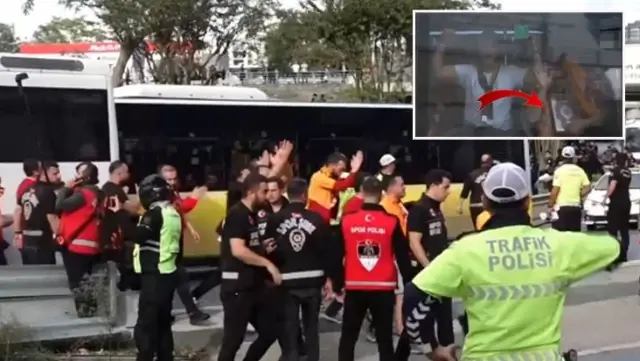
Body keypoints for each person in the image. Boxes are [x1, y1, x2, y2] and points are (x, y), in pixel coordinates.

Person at [401, 162, 620, 361]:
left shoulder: (465, 250)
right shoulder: (560, 244)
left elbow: (413, 296)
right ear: (527, 201)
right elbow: (613, 248)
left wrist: (430, 348)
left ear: (486, 202)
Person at [331, 177, 413, 361]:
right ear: (381, 194)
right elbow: (402, 256)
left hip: (354, 285)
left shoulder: (347, 220)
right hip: (383, 286)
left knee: (348, 337)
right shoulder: (391, 221)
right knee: (384, 339)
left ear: (362, 192)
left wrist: (337, 284)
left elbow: (335, 255)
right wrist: (408, 283)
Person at [217, 173, 283, 361]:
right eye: (264, 191)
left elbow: (247, 246)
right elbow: (238, 250)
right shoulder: (237, 214)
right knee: (233, 340)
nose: (267, 196)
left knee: (270, 331)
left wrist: (262, 248)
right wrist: (268, 264)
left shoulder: (250, 216)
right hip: (237, 287)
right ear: (252, 192)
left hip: (252, 285)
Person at [265, 178, 332, 361]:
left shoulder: (275, 219)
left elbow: (268, 250)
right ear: (305, 195)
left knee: (290, 329)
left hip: (287, 283)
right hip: (313, 281)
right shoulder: (316, 218)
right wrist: (329, 280)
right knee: (312, 328)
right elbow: (326, 251)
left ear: (287, 194)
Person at [430, 30, 539, 136]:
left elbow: (538, 77)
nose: (488, 50)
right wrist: (442, 44)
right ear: (478, 49)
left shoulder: (510, 73)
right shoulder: (469, 72)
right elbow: (439, 73)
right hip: (472, 134)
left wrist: (533, 48)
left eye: (492, 46)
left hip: (503, 135)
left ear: (498, 49)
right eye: (484, 45)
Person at [398, 169, 454, 361]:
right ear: (433, 185)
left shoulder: (436, 208)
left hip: (443, 272)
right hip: (428, 275)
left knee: (445, 317)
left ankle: (448, 351)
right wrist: (429, 268)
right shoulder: (419, 209)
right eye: (446, 187)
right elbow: (414, 242)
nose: (449, 191)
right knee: (422, 319)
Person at [133, 174, 182, 361]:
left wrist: (120, 217)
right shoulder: (172, 213)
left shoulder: (154, 213)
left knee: (146, 326)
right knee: (163, 324)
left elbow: (139, 236)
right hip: (167, 272)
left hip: (154, 275)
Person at [159, 164, 210, 325]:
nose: (172, 182)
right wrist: (194, 198)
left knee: (172, 279)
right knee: (179, 277)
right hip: (168, 240)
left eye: (174, 179)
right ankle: (192, 312)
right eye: (168, 179)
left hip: (176, 237)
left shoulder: (172, 192)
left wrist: (190, 228)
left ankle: (167, 314)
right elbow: (179, 208)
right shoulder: (161, 194)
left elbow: (179, 213)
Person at [56, 162, 109, 316]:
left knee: (78, 284)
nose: (75, 176)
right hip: (92, 245)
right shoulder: (97, 193)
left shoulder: (83, 194)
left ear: (85, 176)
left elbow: (59, 205)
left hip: (76, 246)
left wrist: (66, 188)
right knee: (88, 284)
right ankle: (92, 314)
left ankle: (85, 316)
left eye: (78, 173)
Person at [18, 161, 61, 265]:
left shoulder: (27, 190)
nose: (59, 176)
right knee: (45, 276)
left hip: (27, 242)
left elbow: (19, 212)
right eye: (55, 174)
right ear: (43, 173)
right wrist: (62, 236)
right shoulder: (48, 192)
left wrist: (17, 233)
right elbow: (52, 218)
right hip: (42, 244)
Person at [307, 151, 363, 223]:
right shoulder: (319, 176)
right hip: (316, 219)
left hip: (325, 219)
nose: (342, 172)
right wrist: (354, 170)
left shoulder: (331, 178)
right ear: (333, 165)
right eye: (341, 169)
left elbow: (347, 183)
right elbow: (342, 186)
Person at [549, 146, 590, 231]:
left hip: (561, 208)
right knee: (574, 235)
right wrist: (579, 194)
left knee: (561, 236)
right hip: (575, 208)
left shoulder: (559, 171)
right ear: (573, 157)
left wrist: (550, 205)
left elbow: (555, 190)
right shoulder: (580, 171)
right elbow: (588, 187)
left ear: (562, 157)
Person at [606, 152, 632, 265]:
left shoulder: (615, 172)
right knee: (624, 229)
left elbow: (613, 186)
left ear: (616, 160)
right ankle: (624, 254)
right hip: (626, 202)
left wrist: (605, 197)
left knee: (613, 230)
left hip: (616, 203)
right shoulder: (628, 172)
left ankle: (615, 254)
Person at [459, 154, 493, 228]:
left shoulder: (472, 175)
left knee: (478, 228)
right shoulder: (494, 174)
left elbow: (465, 192)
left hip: (475, 207)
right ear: (491, 162)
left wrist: (460, 206)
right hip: (491, 206)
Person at [13, 158, 40, 249]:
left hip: (27, 234)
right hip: (31, 235)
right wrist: (18, 232)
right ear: (36, 171)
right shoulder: (33, 186)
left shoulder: (24, 184)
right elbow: (18, 210)